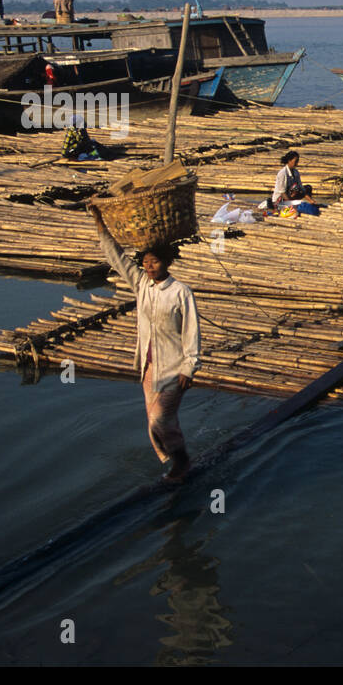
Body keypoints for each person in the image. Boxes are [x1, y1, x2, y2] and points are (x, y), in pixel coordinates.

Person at [90, 206, 201, 483]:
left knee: (160, 419)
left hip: (175, 368)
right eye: (146, 263)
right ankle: (174, 461)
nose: (149, 267)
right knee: (153, 421)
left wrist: (190, 366)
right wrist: (99, 222)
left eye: (155, 262)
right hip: (149, 365)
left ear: (166, 263)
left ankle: (181, 462)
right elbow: (116, 257)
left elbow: (191, 331)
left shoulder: (180, 292)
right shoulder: (142, 285)